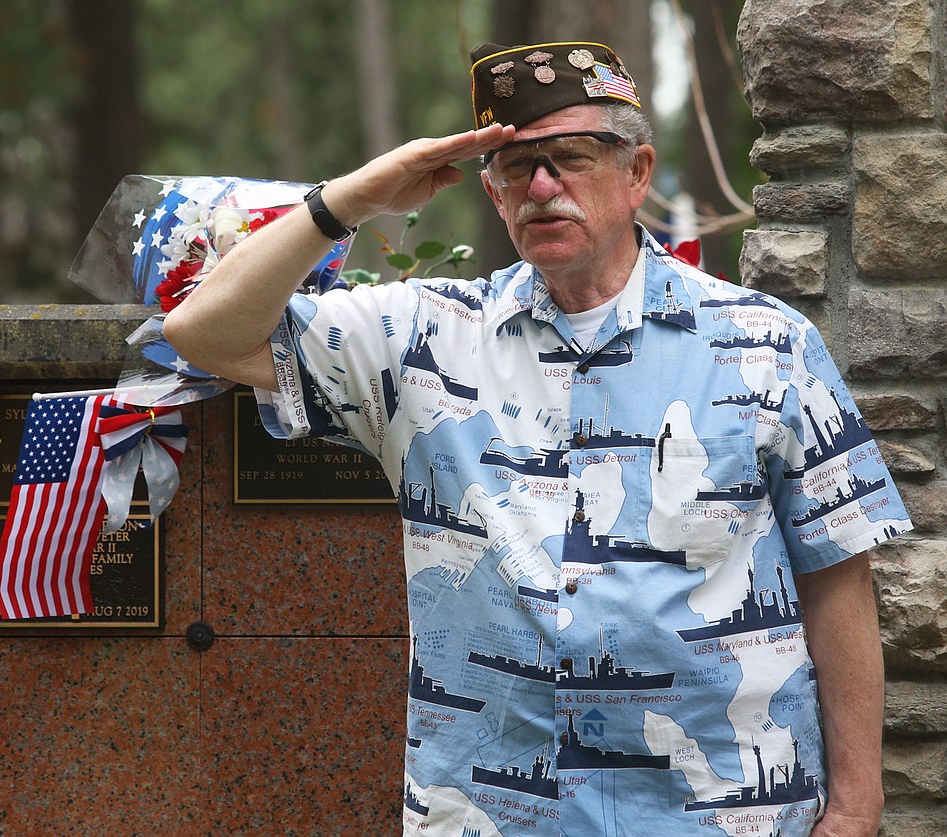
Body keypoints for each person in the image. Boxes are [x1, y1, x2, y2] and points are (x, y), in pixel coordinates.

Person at [163, 39, 909, 837]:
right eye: (518, 167)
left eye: (572, 157)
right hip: (496, 814)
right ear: (493, 194)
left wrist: (857, 808)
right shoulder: (425, 340)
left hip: (722, 814)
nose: (544, 185)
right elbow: (203, 333)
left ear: (637, 173)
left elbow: (839, 576)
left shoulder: (765, 345)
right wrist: (349, 199)